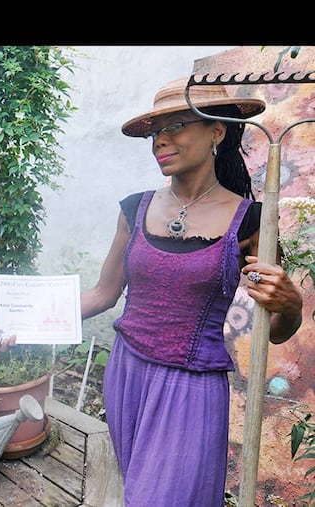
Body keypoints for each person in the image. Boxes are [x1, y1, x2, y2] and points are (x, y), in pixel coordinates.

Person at [80, 78, 304, 506]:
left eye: (176, 125)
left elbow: (276, 330)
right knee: (138, 488)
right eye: (154, 132)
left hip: (191, 389)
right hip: (126, 374)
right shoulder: (135, 208)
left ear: (216, 131)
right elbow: (102, 295)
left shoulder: (251, 222)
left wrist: (290, 303)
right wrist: (27, 324)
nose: (160, 140)